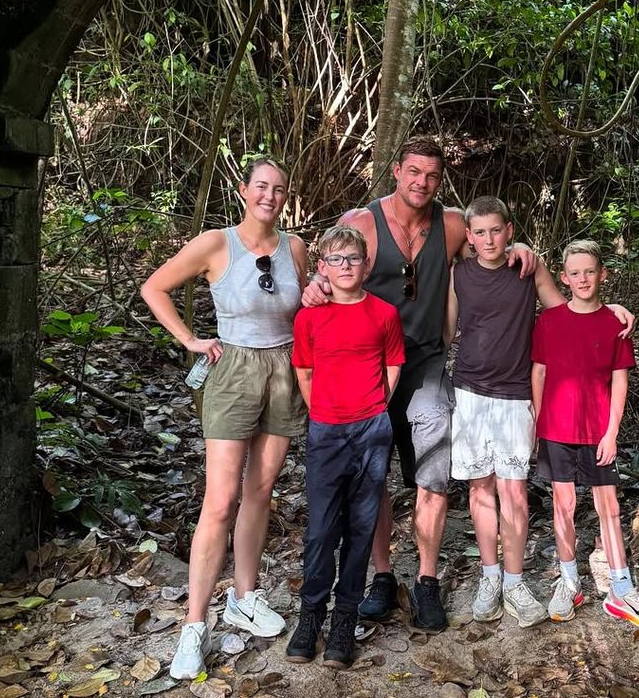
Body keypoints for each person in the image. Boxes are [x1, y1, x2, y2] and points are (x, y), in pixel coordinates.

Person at [301, 138, 547, 631]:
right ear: (395, 171)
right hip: (368, 368)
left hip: (426, 364)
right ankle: (384, 577)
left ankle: (428, 581)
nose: (422, 182)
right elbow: (329, 267)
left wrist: (522, 247)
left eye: (432, 175)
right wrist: (315, 285)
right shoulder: (362, 222)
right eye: (413, 171)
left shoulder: (453, 224)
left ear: (441, 180)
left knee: (432, 474)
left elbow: (489, 242)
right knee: (374, 477)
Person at [140, 158, 309, 679]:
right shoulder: (217, 243)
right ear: (244, 190)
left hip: (283, 370)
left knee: (261, 492)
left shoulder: (295, 247)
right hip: (232, 367)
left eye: (279, 189)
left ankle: (245, 595)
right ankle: (194, 625)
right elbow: (154, 287)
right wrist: (190, 339)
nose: (270, 196)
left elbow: (306, 311)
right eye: (262, 186)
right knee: (220, 500)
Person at [530, 240, 639, 631]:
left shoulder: (614, 323)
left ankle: (621, 589)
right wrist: (539, 426)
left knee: (608, 506)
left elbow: (619, 383)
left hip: (597, 432)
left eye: (589, 271)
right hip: (557, 429)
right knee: (564, 505)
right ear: (564, 278)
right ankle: (569, 580)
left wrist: (612, 433)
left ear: (602, 274)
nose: (583, 279)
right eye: (575, 273)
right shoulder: (550, 321)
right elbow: (538, 373)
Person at [443, 196, 566, 628]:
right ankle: (490, 576)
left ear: (509, 230)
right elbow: (445, 330)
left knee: (514, 491)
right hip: (470, 392)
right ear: (469, 237)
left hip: (517, 394)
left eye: (496, 230)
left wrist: (609, 313)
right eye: (479, 232)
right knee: (481, 489)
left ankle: (514, 581)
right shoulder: (459, 274)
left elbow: (564, 312)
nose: (489, 239)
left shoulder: (527, 269)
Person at [286, 226, 405, 669]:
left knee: (361, 529)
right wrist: (324, 412)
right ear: (323, 268)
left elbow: (393, 364)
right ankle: (310, 616)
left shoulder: (384, 313)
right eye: (336, 260)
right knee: (321, 531)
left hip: (371, 429)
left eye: (353, 259)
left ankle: (343, 621)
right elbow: (304, 370)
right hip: (326, 431)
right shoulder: (309, 317)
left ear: (366, 264)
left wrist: (375, 406)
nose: (346, 267)